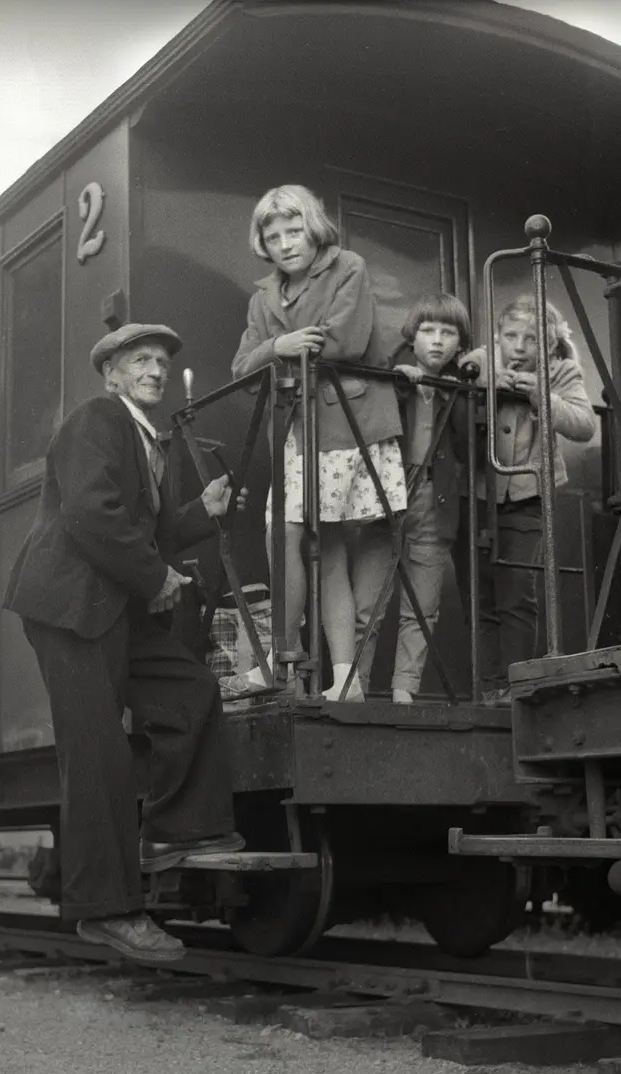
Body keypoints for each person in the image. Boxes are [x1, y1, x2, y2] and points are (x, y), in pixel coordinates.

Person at [2, 322, 248, 965]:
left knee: (190, 689)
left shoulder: (145, 439)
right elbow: (92, 515)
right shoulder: (97, 420)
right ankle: (106, 912)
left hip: (113, 605)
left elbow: (150, 529)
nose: (156, 370)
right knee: (97, 755)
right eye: (141, 360)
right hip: (72, 608)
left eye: (163, 362)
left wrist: (202, 512)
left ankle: (178, 832)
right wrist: (155, 575)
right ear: (111, 373)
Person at [231, 184, 407, 702]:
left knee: (309, 541)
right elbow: (241, 366)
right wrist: (278, 345)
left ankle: (304, 668)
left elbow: (346, 340)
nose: (286, 244)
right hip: (297, 433)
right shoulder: (263, 296)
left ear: (314, 229)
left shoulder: (347, 266)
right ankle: (294, 666)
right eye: (274, 235)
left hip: (346, 425)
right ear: (262, 242)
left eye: (294, 231)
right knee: (301, 542)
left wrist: (282, 350)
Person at [456, 296, 597, 704]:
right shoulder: (484, 359)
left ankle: (516, 688)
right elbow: (469, 370)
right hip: (478, 493)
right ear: (498, 336)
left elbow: (585, 425)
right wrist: (491, 382)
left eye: (532, 339)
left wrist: (540, 395)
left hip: (527, 494)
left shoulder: (562, 372)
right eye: (512, 336)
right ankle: (486, 689)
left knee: (517, 593)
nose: (519, 346)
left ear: (549, 346)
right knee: (478, 594)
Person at [357, 293, 472, 704]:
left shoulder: (462, 384)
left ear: (461, 342)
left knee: (423, 606)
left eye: (448, 332)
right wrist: (401, 384)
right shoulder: (393, 373)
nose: (437, 341)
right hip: (388, 493)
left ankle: (404, 688)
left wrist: (459, 390)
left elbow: (468, 444)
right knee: (368, 602)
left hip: (436, 499)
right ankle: (355, 681)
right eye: (428, 331)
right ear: (412, 335)